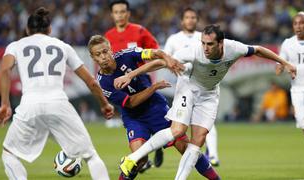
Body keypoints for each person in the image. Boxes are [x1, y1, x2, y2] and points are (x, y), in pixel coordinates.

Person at [116, 24, 296, 179]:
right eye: (203, 43)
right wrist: (131, 74)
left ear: (220, 43)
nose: (205, 48)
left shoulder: (234, 48)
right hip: (188, 88)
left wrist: (285, 62)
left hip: (209, 94)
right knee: (177, 131)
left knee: (198, 140)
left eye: (210, 44)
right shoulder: (193, 51)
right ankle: (132, 158)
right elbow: (161, 62)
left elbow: (258, 49)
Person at [0, 7, 114, 180]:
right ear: (49, 29)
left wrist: (5, 103)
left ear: (27, 30)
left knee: (9, 154)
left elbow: (4, 71)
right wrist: (104, 104)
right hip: (59, 103)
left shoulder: (16, 46)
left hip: (29, 105)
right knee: (91, 156)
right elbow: (92, 82)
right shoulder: (62, 46)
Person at [88, 35, 220, 180]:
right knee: (138, 160)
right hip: (134, 118)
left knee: (185, 147)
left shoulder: (126, 55)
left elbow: (153, 53)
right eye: (98, 54)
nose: (104, 57)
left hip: (155, 108)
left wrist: (166, 58)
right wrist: (155, 86)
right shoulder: (103, 83)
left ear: (111, 49)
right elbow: (131, 102)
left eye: (105, 51)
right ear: (93, 58)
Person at [105, 0, 162, 169]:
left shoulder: (140, 31)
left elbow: (156, 52)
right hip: (121, 87)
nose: (120, 15)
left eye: (123, 11)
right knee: (132, 120)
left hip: (142, 83)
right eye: (116, 12)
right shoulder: (108, 37)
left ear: (128, 13)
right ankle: (147, 150)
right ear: (112, 15)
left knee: (152, 115)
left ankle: (155, 143)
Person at [164, 7, 220, 166]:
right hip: (183, 86)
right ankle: (162, 146)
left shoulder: (203, 38)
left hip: (202, 85)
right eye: (187, 17)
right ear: (182, 20)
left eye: (194, 17)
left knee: (206, 122)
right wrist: (174, 67)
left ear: (197, 20)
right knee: (178, 125)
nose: (191, 20)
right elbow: (167, 58)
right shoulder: (173, 39)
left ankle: (213, 156)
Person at [276, 11, 304, 137]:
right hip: (297, 89)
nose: (298, 26)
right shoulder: (288, 43)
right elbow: (280, 63)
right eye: (295, 24)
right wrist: (281, 67)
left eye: (302, 23)